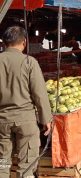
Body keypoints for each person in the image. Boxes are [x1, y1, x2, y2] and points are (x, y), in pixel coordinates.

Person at [0, 26, 52, 178]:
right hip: (25, 121)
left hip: (2, 121)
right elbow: (39, 94)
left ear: (4, 42)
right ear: (24, 42)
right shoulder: (29, 62)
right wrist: (45, 119)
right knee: (26, 165)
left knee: (2, 163)